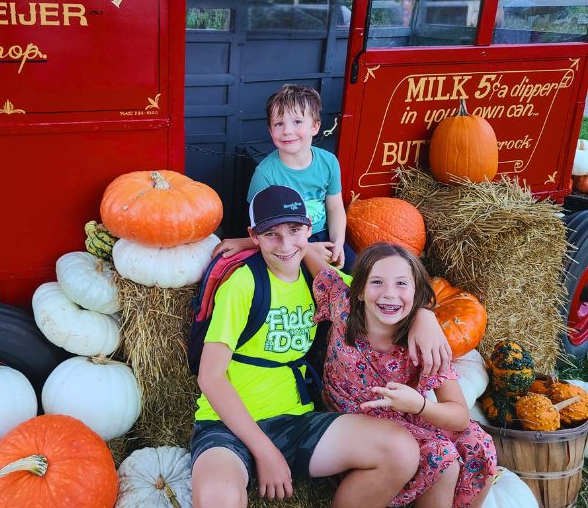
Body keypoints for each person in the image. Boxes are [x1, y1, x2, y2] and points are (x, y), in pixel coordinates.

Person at [191, 185, 451, 508]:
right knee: (218, 497)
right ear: (253, 236)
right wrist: (265, 451)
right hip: (227, 425)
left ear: (309, 230)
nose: (286, 244)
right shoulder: (243, 284)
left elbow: (377, 299)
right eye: (271, 234)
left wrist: (425, 316)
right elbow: (211, 377)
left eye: (294, 230)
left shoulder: (318, 280)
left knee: (402, 450)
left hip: (296, 421)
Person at [313, 243, 497, 508]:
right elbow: (301, 250)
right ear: (360, 290)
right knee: (442, 457)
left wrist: (419, 405)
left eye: (401, 284)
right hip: (350, 419)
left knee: (477, 443)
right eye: (377, 282)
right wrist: (248, 240)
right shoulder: (343, 305)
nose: (389, 294)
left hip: (407, 413)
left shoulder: (424, 344)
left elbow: (459, 416)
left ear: (416, 293)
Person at [213, 84, 356, 273]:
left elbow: (335, 206)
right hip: (285, 243)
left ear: (315, 126)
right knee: (311, 282)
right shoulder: (265, 174)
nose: (287, 130)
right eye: (279, 124)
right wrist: (308, 249)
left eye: (297, 121)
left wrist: (338, 241)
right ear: (271, 131)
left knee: (357, 271)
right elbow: (265, 231)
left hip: (323, 235)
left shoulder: (328, 162)